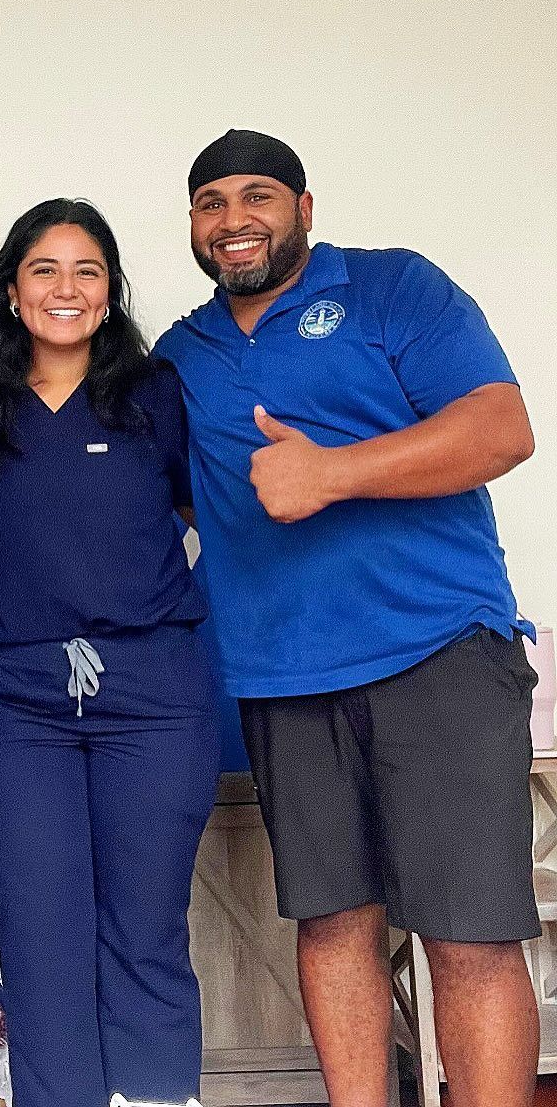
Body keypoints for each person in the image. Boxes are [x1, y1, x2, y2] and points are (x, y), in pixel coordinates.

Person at [152, 129, 539, 1107]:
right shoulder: (180, 354)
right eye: (211, 203)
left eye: (256, 196)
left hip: (438, 654)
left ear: (304, 208)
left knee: (469, 935)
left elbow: (503, 428)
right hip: (283, 677)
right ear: (193, 224)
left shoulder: (394, 288)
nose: (233, 219)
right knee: (331, 927)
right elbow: (174, 490)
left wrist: (335, 473)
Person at [0, 199, 218, 1107]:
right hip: (19, 699)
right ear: (13, 290)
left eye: (86, 271)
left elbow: (194, 510)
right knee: (39, 932)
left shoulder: (157, 392)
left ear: (109, 294)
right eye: (45, 269)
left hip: (153, 689)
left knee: (145, 927)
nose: (66, 288)